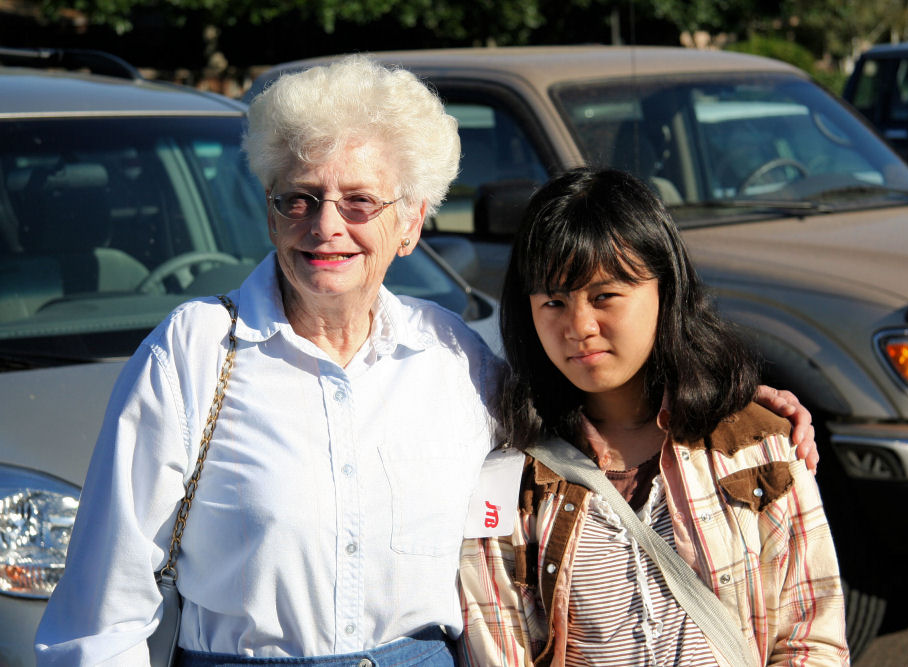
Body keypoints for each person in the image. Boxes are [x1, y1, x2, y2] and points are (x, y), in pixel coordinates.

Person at [35, 58, 817, 665]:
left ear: (410, 223)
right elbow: (104, 610)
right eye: (297, 197)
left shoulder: (456, 360)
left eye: (359, 201)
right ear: (270, 210)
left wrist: (738, 410)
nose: (324, 226)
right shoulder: (196, 353)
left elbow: (588, 399)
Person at [458, 168, 849, 666]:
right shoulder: (511, 477)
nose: (579, 326)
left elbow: (811, 638)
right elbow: (497, 647)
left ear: (666, 290)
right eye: (553, 301)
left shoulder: (758, 446)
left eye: (604, 296)